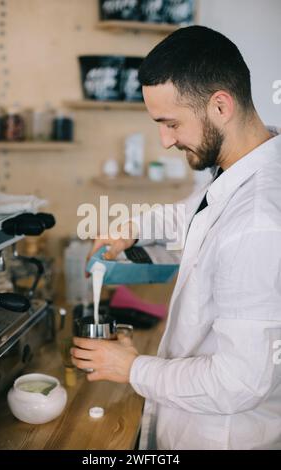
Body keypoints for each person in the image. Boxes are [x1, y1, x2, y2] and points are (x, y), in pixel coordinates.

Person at [71, 26, 281, 450]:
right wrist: (131, 228)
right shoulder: (253, 158)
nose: (165, 140)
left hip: (222, 437)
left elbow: (239, 382)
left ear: (220, 104)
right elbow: (198, 211)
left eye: (171, 123)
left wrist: (132, 368)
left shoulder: (258, 224)